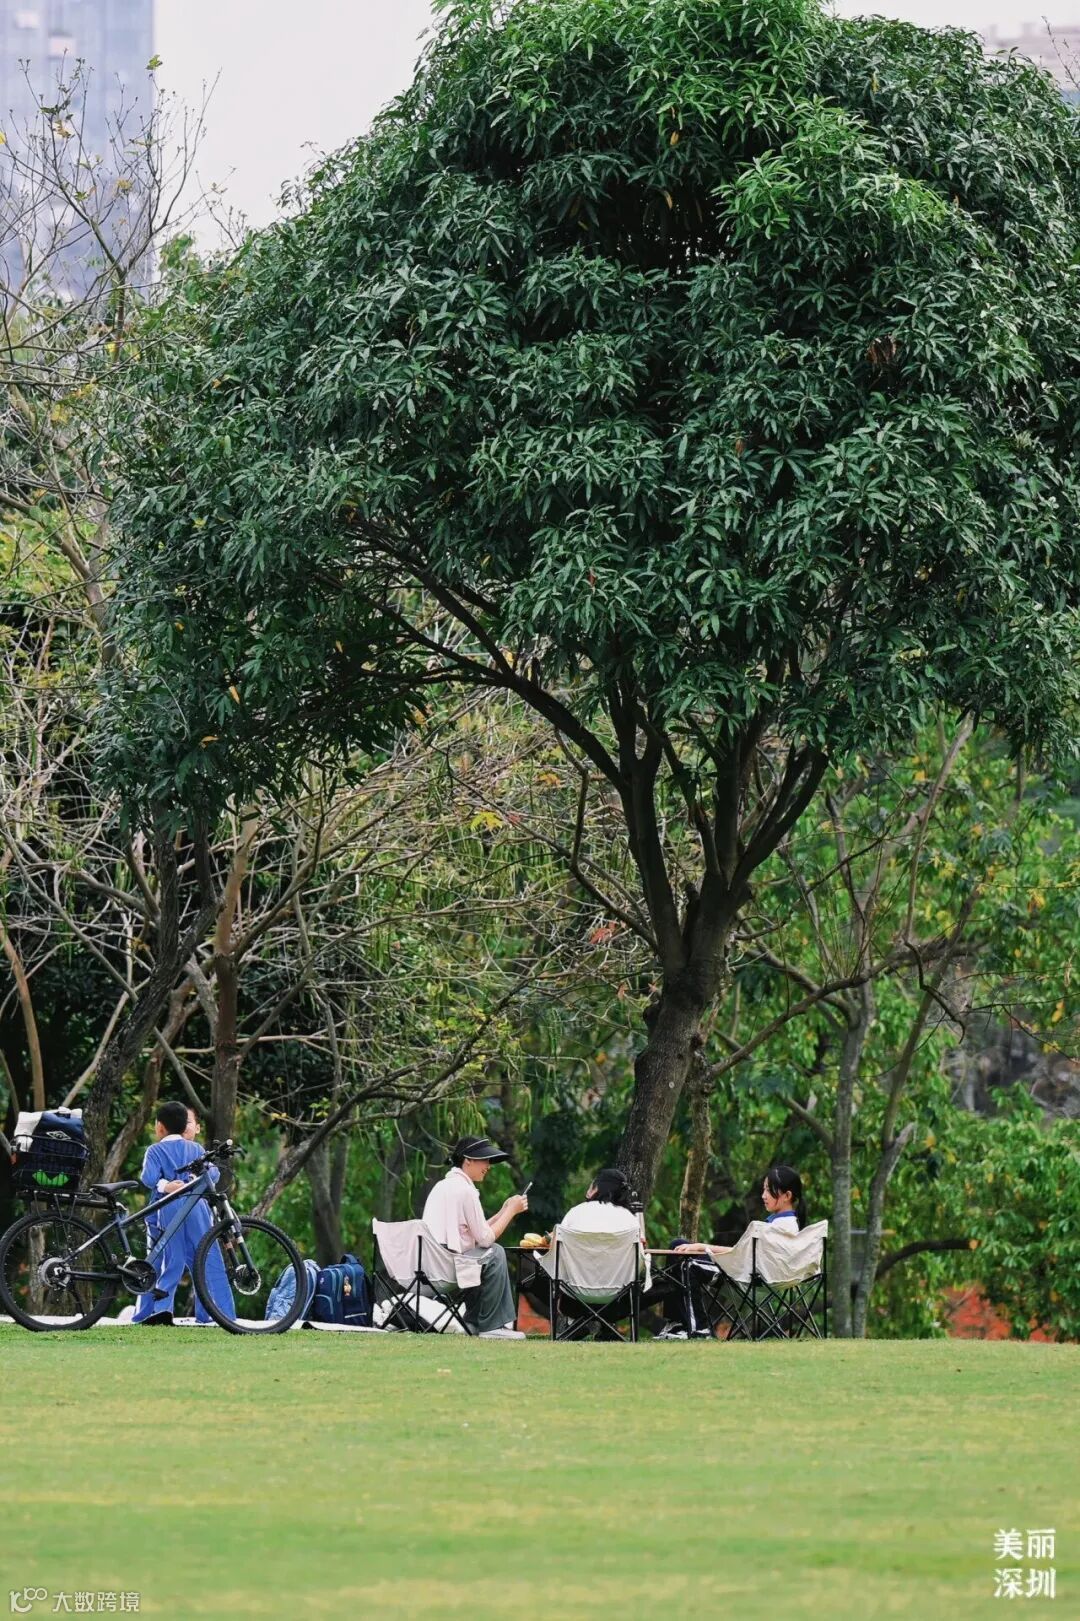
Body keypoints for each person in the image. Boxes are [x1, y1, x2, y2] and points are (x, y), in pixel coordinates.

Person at [648, 1165, 807, 1338]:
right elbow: (743, 1253)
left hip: (745, 1280)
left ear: (787, 1196)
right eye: (764, 1190)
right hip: (744, 1272)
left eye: (769, 1190)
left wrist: (701, 1247)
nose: (763, 1195)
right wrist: (699, 1247)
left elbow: (741, 1254)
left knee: (688, 1265)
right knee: (677, 1246)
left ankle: (699, 1329)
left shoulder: (782, 1228)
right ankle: (678, 1324)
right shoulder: (781, 1224)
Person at [132, 1101, 235, 1326]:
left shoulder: (155, 1150)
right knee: (207, 1258)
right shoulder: (196, 1149)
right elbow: (213, 1175)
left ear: (159, 1127)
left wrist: (165, 1185)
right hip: (197, 1207)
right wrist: (193, 1181)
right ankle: (218, 1313)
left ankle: (158, 1311)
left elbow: (148, 1179)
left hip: (166, 1208)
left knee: (168, 1260)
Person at [421, 1135, 528, 1339]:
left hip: (431, 1266)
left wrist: (502, 1211)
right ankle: (492, 1326)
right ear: (468, 1160)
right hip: (449, 1267)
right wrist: (511, 1212)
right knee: (494, 1253)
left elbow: (477, 1233)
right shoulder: (465, 1190)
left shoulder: (442, 1186)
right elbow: (486, 1240)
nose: (488, 1166)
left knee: (480, 1254)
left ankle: (472, 1323)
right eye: (484, 1160)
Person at [520, 1168, 647, 1337]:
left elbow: (557, 1250)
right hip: (618, 1295)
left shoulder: (576, 1212)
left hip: (574, 1293)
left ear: (596, 1188)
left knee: (533, 1276)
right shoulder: (630, 1219)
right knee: (654, 1280)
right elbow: (640, 1256)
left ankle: (578, 1321)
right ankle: (605, 1325)